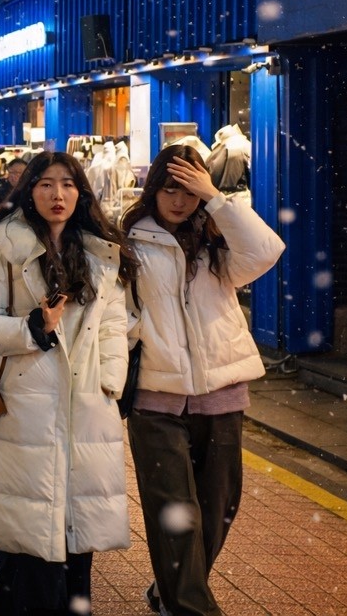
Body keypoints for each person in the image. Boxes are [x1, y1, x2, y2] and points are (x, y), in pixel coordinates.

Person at [0, 151, 134, 616]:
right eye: (45, 184)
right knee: (30, 533)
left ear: (81, 193)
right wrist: (32, 331)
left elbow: (114, 321)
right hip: (28, 402)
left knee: (77, 536)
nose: (57, 194)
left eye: (67, 184)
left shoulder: (100, 250)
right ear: (29, 190)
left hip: (87, 404)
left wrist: (111, 381)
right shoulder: (6, 246)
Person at [121, 144, 284, 616]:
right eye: (170, 188)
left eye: (189, 189)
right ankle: (190, 607)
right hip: (156, 398)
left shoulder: (219, 243)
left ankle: (168, 591)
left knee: (217, 510)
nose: (179, 199)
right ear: (153, 189)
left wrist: (215, 198)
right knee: (176, 516)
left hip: (221, 394)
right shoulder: (129, 241)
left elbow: (267, 249)